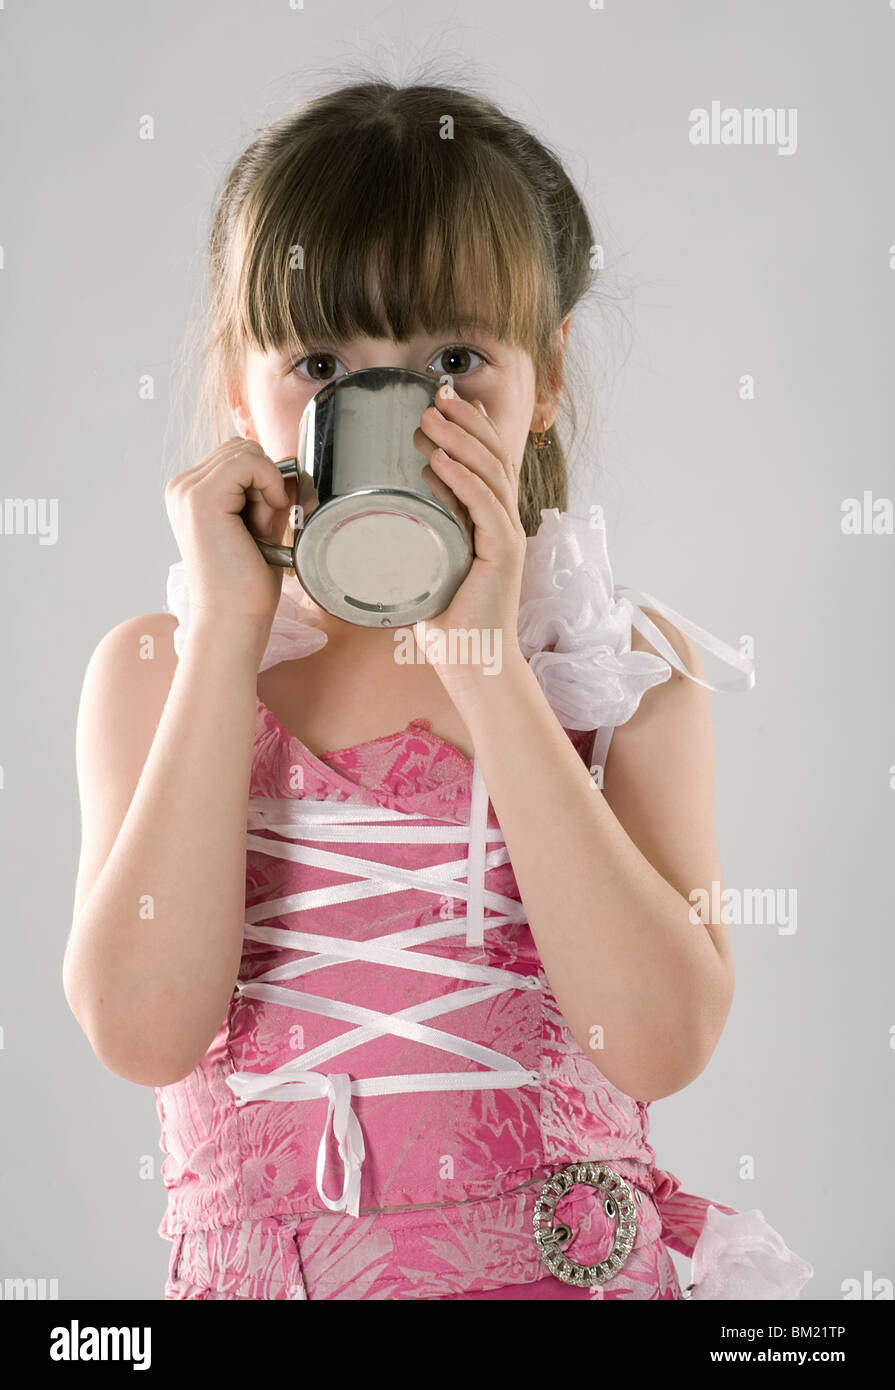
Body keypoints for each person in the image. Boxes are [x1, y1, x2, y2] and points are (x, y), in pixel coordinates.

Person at [63, 76, 813, 1300]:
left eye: (455, 359)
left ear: (547, 377)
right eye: (321, 363)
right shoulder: (160, 672)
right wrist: (221, 642)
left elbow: (661, 1044)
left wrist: (492, 668)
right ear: (241, 394)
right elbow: (144, 1031)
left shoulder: (620, 682)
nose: (402, 417)